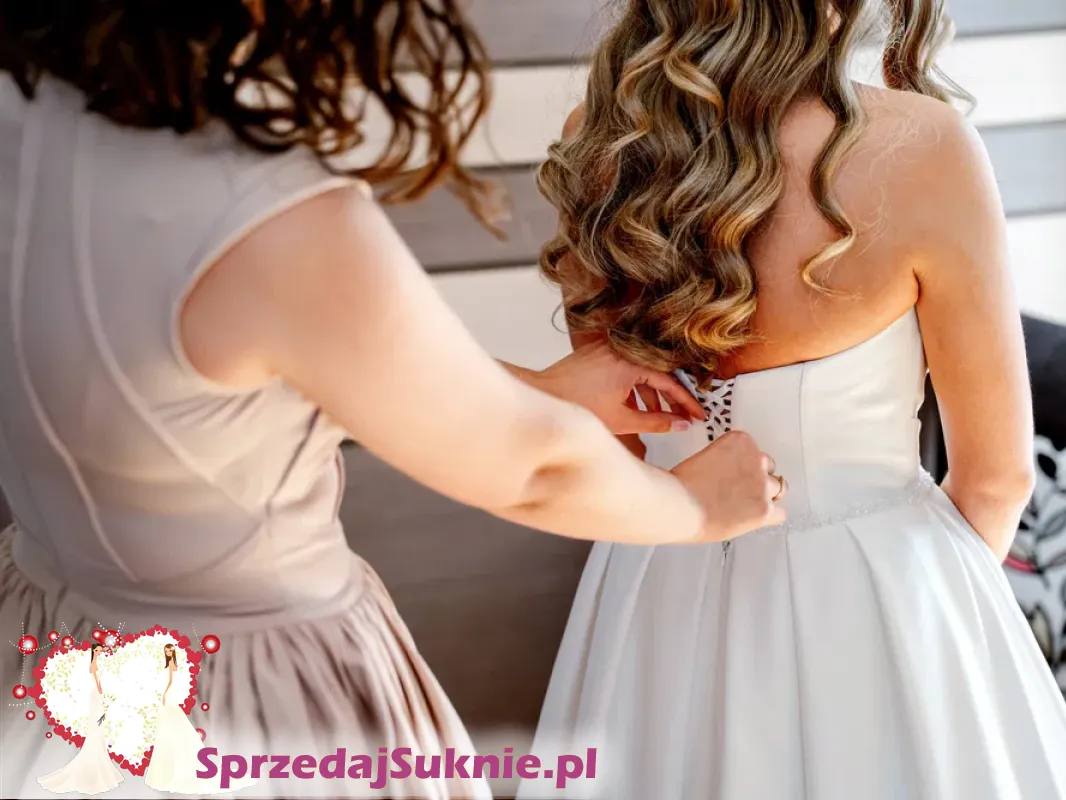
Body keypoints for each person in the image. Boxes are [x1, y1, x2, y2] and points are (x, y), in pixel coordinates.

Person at [0, 2, 787, 798]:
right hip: (243, 699)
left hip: (53, 654)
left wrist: (538, 391)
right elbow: (532, 471)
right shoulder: (273, 221)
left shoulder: (26, 116)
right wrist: (695, 507)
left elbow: (200, 384)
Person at [519, 1, 1066, 798]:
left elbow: (609, 444)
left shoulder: (605, 140)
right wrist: (934, 632)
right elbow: (999, 479)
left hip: (653, 585)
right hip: (876, 594)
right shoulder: (923, 145)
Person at [144, 644, 255, 795]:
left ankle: (175, 769)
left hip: (169, 695)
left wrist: (164, 693)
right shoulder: (169, 664)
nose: (167, 653)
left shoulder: (171, 666)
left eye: (169, 651)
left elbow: (170, 680)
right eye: (166, 651)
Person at [37, 643, 124, 795]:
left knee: (99, 726)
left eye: (100, 650)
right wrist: (102, 693)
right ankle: (95, 758)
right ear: (93, 651)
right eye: (97, 650)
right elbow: (96, 682)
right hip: (96, 695)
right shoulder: (93, 664)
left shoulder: (98, 663)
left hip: (97, 696)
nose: (99, 652)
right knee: (97, 725)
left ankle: (99, 755)